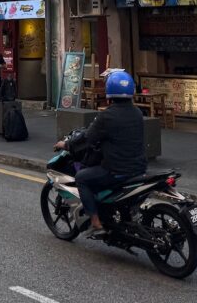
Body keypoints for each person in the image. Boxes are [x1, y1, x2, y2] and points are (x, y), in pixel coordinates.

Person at [53, 70, 146, 237]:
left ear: (109, 93)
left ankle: (96, 223)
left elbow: (87, 138)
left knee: (82, 177)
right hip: (139, 169)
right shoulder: (137, 113)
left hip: (116, 170)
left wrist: (66, 144)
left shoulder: (107, 116)